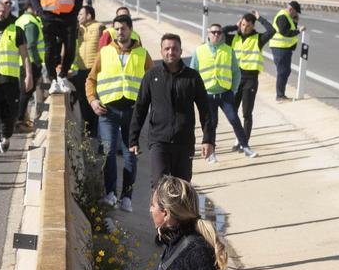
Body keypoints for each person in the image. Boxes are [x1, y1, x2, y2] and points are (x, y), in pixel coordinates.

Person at [129, 33, 215, 188]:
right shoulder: (151, 76)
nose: (171, 52)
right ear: (161, 51)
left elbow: (205, 110)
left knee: (182, 187)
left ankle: (177, 213)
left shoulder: (192, 77)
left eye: (174, 48)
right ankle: (159, 212)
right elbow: (140, 107)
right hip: (159, 141)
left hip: (184, 141)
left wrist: (208, 139)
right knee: (158, 183)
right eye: (167, 48)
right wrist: (133, 139)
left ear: (181, 51)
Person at [86, 15, 151, 212]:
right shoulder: (105, 52)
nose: (119, 32)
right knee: (108, 152)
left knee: (131, 155)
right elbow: (91, 79)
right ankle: (111, 193)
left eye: (123, 28)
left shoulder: (142, 54)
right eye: (116, 29)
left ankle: (127, 197)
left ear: (131, 30)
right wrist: (92, 100)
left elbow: (152, 82)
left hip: (132, 112)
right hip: (108, 112)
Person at [191, 25, 253, 160]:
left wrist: (233, 90)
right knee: (211, 124)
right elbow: (192, 72)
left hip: (225, 93)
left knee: (234, 120)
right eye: (213, 32)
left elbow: (236, 72)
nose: (216, 35)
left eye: (219, 32)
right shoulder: (199, 51)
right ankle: (212, 153)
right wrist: (196, 93)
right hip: (208, 94)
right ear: (208, 33)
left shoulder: (228, 50)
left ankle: (245, 146)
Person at [0, 0, 31, 156]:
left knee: (9, 112)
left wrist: (28, 75)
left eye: (3, 11)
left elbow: (25, 56)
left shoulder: (16, 30)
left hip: (9, 78)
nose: (1, 13)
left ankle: (6, 135)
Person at [222, 11, 274, 146]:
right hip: (235, 79)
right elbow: (221, 32)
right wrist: (235, 26)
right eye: (243, 25)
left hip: (250, 80)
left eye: (248, 26)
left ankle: (244, 142)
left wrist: (259, 18)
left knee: (246, 113)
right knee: (232, 111)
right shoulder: (234, 38)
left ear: (253, 26)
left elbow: (272, 30)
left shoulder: (259, 39)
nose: (245, 28)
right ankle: (239, 136)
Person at [69, 5, 104, 137]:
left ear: (89, 15)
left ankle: (94, 129)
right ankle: (87, 127)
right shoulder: (79, 28)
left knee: (93, 99)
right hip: (81, 69)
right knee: (83, 99)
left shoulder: (99, 27)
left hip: (94, 70)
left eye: (81, 14)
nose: (78, 17)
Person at [14, 4, 43, 132]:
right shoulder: (30, 22)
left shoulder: (20, 20)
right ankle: (19, 121)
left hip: (21, 62)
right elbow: (31, 45)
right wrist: (37, 62)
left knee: (23, 93)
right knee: (26, 93)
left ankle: (20, 119)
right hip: (30, 63)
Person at [269, 0, 304, 101]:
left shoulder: (287, 16)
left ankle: (281, 95)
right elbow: (284, 32)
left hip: (284, 47)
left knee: (285, 71)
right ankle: (280, 96)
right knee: (282, 71)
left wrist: (295, 22)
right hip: (280, 47)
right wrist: (298, 31)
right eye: (296, 12)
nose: (296, 14)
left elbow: (289, 27)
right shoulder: (283, 16)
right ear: (291, 9)